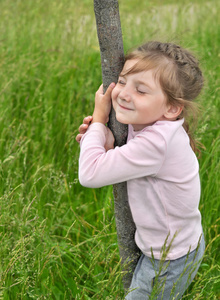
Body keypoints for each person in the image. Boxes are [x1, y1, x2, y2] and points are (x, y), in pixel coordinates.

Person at [76, 41, 205, 299]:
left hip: (168, 260)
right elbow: (119, 154)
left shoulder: (157, 143)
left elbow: (89, 174)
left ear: (171, 108)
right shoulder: (151, 121)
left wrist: (99, 120)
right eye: (122, 81)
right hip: (175, 246)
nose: (124, 94)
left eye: (141, 91)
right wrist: (102, 139)